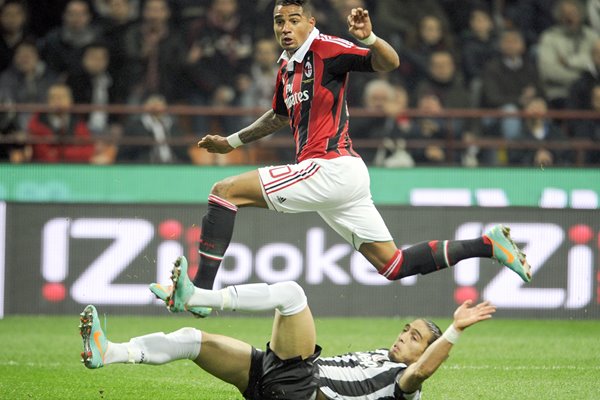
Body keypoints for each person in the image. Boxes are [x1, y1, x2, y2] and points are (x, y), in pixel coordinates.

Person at [150, 0, 531, 318]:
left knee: (224, 191)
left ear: (310, 23)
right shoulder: (286, 67)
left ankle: (199, 292)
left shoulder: (327, 48)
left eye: (294, 21)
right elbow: (280, 116)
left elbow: (388, 63)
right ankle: (488, 244)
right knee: (393, 265)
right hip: (341, 178)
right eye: (279, 21)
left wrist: (370, 38)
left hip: (329, 167)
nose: (285, 28)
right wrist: (232, 142)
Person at [81, 255, 497, 400]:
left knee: (292, 293)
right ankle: (111, 352)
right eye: (407, 328)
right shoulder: (379, 357)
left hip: (300, 385)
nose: (404, 336)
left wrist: (453, 331)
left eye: (415, 338)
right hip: (278, 383)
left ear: (426, 350)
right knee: (192, 340)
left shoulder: (404, 383)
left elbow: (421, 372)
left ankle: (196, 298)